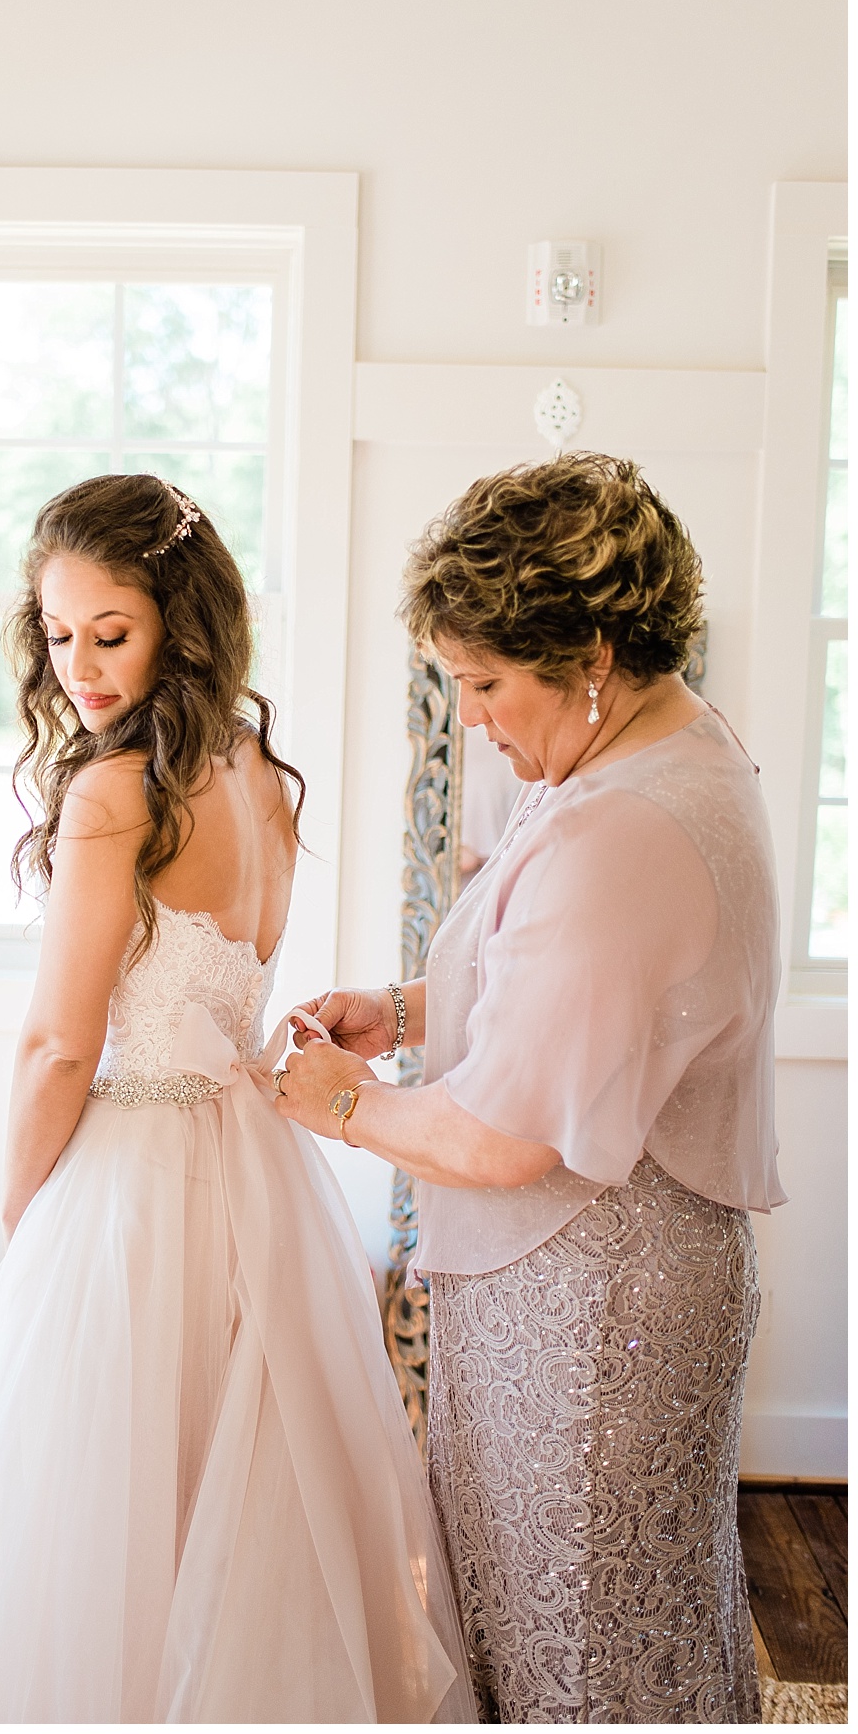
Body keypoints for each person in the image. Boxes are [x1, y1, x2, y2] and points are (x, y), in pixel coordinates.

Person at [0, 474, 475, 1724]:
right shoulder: (263, 776)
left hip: (132, 1177)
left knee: (96, 1511)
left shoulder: (116, 793)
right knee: (237, 1499)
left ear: (182, 619)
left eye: (110, 633)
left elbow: (57, 1047)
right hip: (255, 1172)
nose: (78, 668)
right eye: (58, 634)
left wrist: (26, 1210)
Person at [278, 454, 783, 1724]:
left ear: (589, 653)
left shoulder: (623, 828)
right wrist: (402, 1013)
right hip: (592, 1284)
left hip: (588, 1317)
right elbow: (593, 1003)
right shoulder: (669, 756)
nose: (476, 721)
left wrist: (335, 1100)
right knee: (576, 1627)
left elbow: (504, 1137)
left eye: (488, 682)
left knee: (583, 1654)